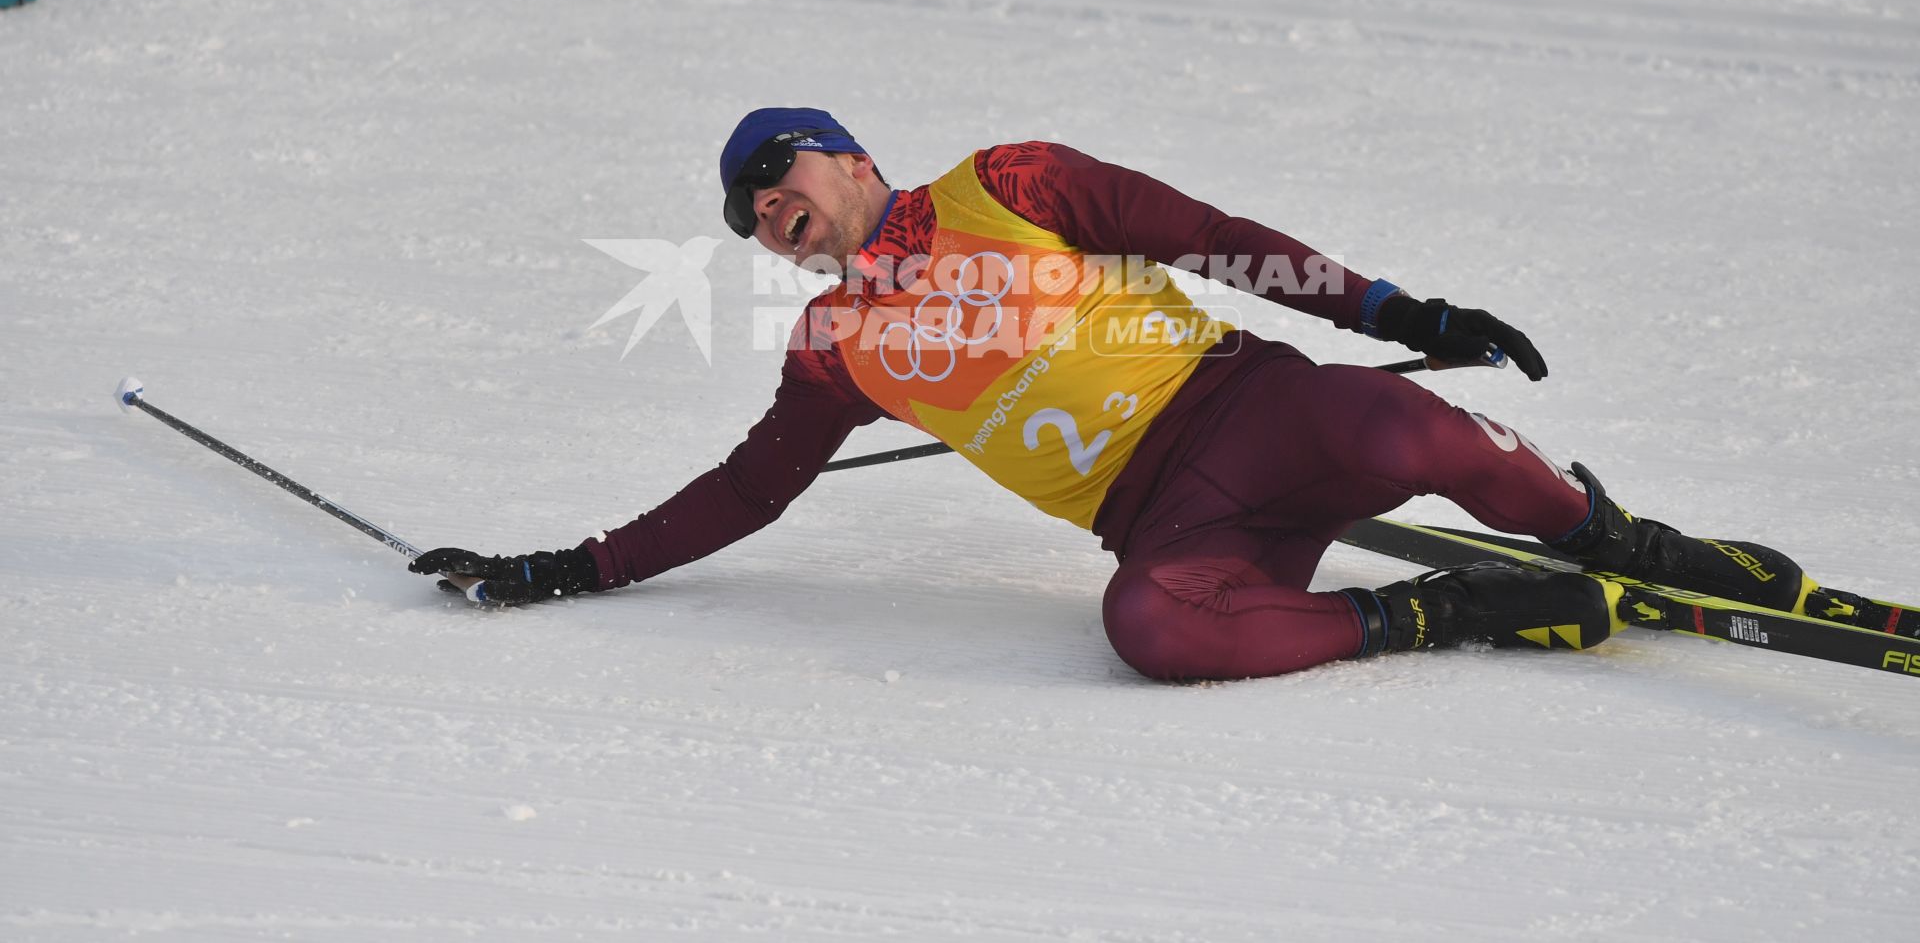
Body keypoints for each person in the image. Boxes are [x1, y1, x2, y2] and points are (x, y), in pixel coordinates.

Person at [411, 108, 1813, 681]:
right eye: (758, 226)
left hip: (1247, 403)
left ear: (844, 159)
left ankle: (1623, 545)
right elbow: (748, 489)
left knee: (1403, 424)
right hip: (1169, 514)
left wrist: (1394, 312)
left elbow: (1206, 232)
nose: (783, 225)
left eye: (786, 190)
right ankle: (1447, 610)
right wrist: (568, 567)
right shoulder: (837, 347)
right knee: (1147, 624)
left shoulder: (1003, 185)